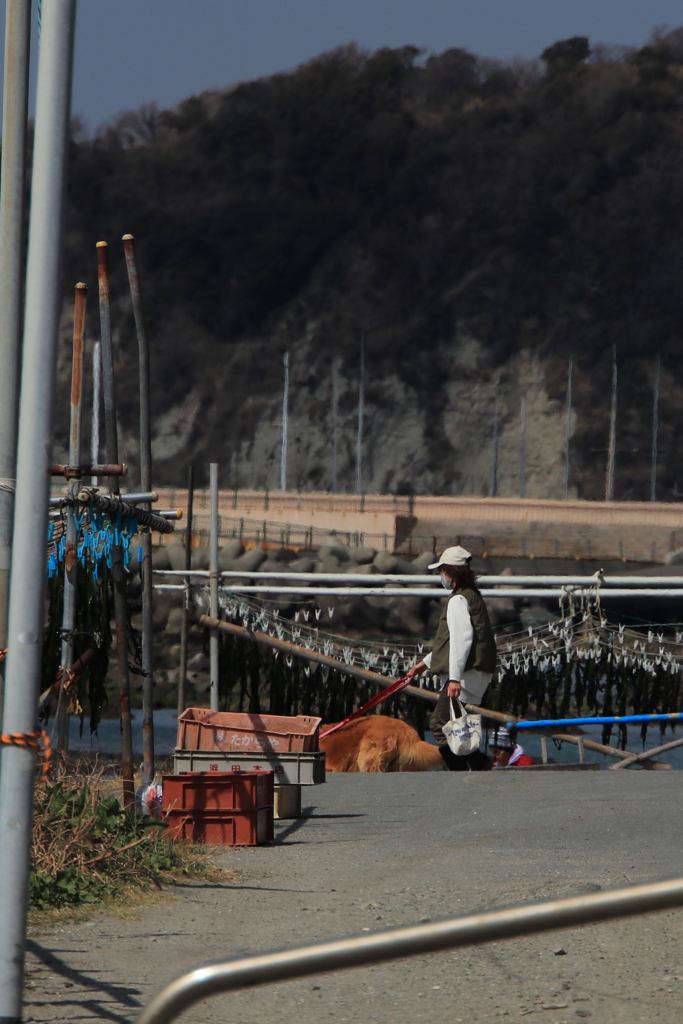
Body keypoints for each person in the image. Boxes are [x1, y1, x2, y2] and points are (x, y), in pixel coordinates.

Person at [407, 545, 497, 771]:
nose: (441, 577)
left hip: (466, 675)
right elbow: (449, 644)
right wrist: (425, 664)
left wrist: (454, 679)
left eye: (442, 571)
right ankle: (479, 763)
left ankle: (466, 771)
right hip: (477, 673)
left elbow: (461, 640)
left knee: (439, 724)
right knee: (457, 725)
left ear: (451, 573)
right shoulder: (473, 596)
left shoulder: (458, 601)